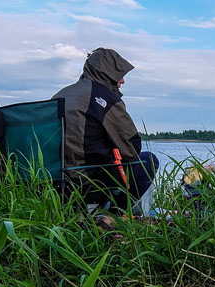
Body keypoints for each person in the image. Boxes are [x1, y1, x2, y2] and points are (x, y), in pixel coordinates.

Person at [52, 47, 158, 210]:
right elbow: (132, 149)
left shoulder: (60, 95)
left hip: (54, 181)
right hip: (87, 180)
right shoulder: (105, 99)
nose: (123, 81)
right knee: (148, 160)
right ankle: (111, 218)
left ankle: (86, 213)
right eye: (120, 75)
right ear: (108, 73)